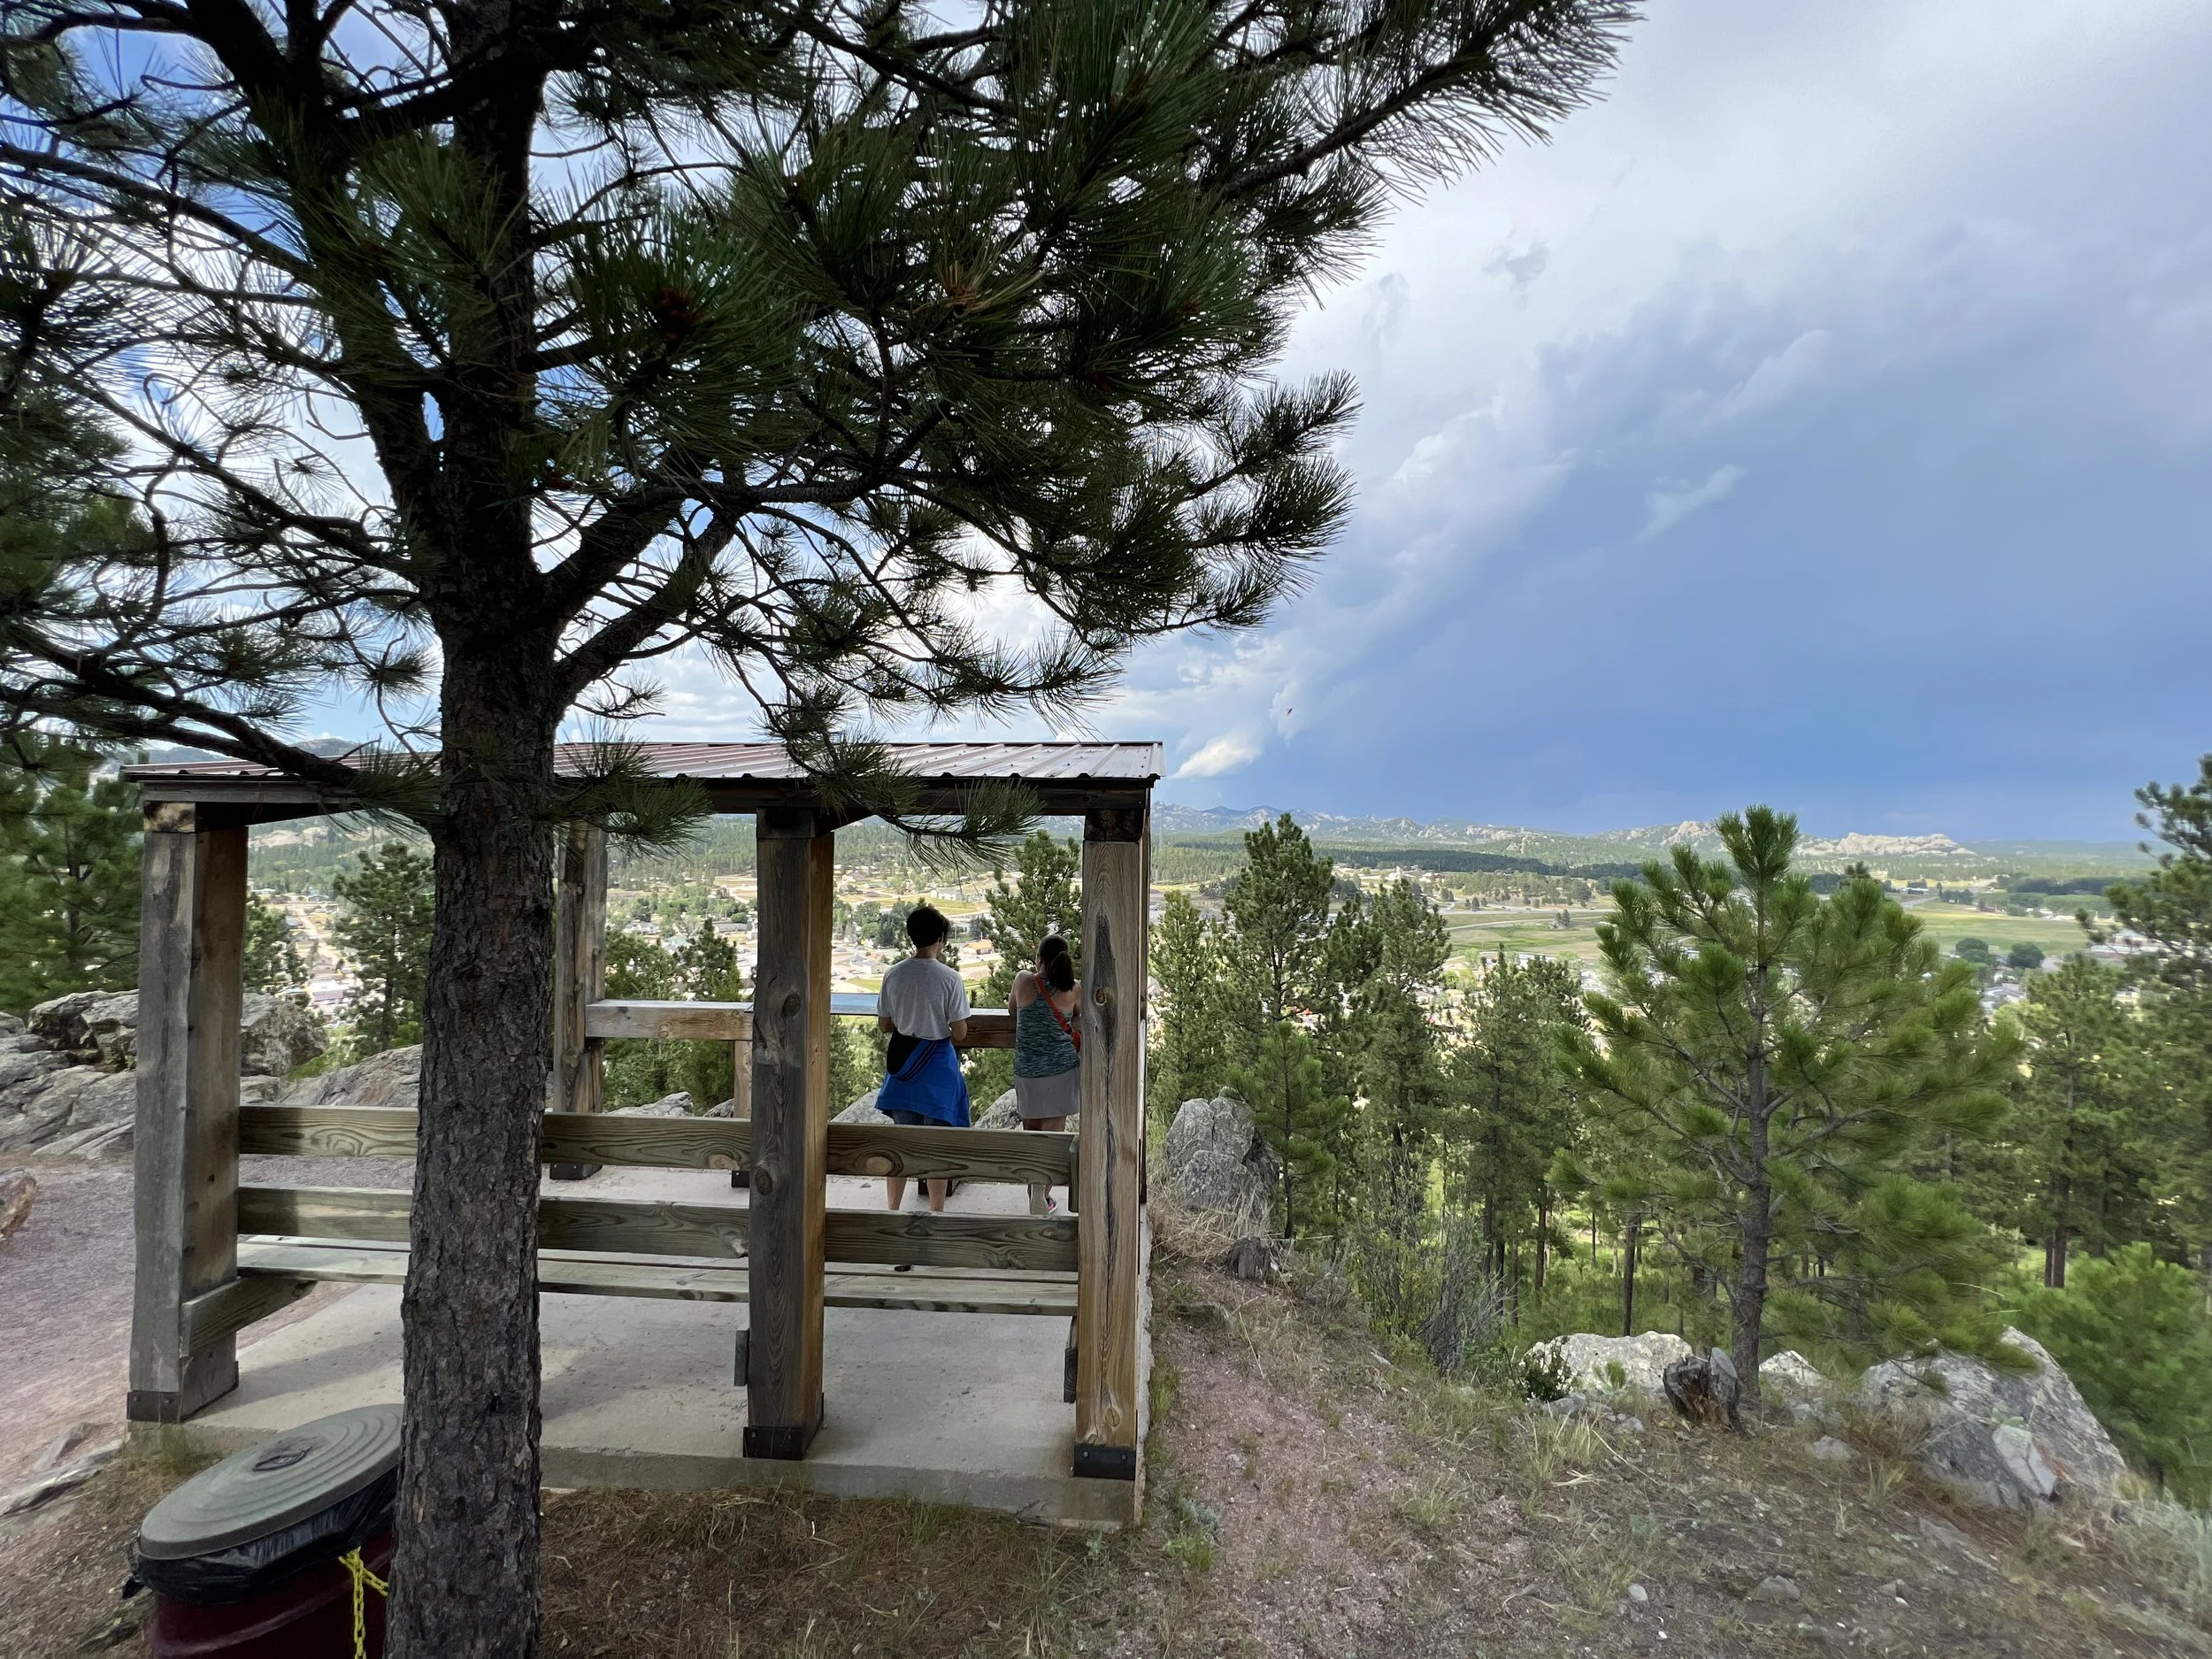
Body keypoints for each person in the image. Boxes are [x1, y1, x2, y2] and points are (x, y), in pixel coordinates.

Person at [875, 903, 970, 1214]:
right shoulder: (950, 978)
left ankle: (892, 1211)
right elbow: (959, 1033)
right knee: (935, 1147)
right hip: (937, 1069)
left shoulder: (894, 974)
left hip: (903, 1067)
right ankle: (937, 1213)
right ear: (941, 938)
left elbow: (885, 1024)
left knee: (902, 1146)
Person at [1011, 933, 1080, 1215]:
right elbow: (1081, 1015)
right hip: (1061, 1071)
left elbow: (1012, 1010)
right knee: (1053, 1140)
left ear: (1039, 958)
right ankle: (1042, 1195)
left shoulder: (1024, 981)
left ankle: (1035, 1191)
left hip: (1027, 1070)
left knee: (1032, 1135)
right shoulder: (1074, 988)